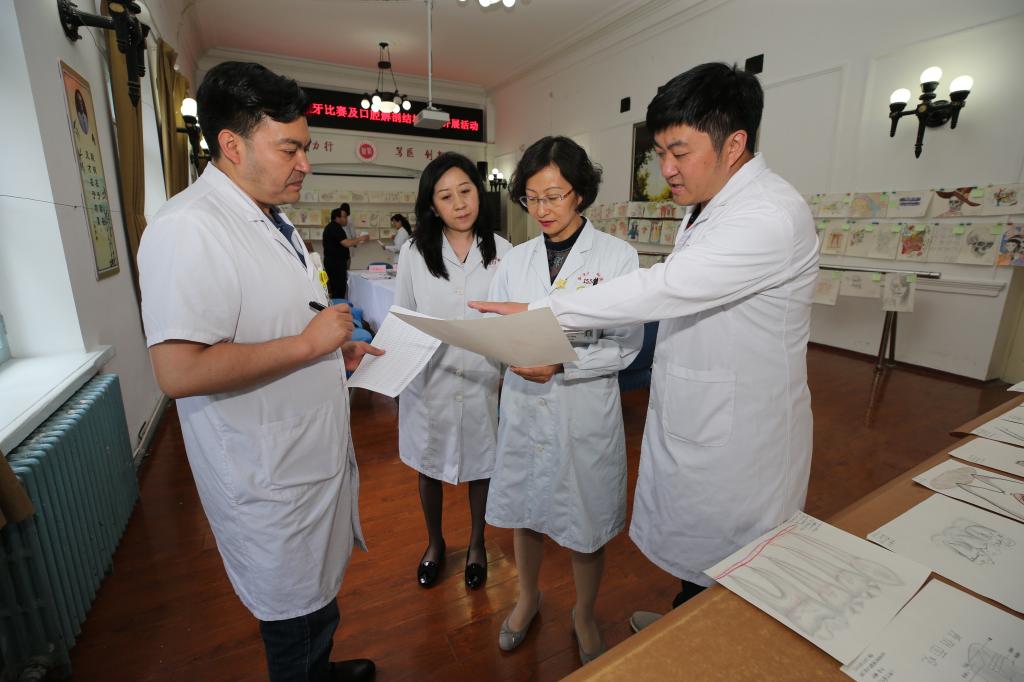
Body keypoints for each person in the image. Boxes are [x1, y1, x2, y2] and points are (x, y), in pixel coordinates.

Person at [471, 62, 819, 633]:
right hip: (694, 411)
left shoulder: (768, 216)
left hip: (741, 432)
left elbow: (663, 289)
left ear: (734, 144)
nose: (666, 169)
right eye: (660, 153)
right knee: (703, 561)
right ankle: (684, 619)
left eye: (679, 153)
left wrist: (545, 316)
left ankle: (694, 640)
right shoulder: (710, 208)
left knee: (736, 568)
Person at [137, 61, 382, 682]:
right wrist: (306, 346)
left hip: (304, 451)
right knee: (293, 613)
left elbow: (270, 323)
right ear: (232, 145)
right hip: (267, 470)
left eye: (305, 147)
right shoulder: (187, 227)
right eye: (290, 149)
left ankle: (321, 670)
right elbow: (178, 370)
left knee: (315, 598)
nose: (305, 164)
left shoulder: (268, 214)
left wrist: (330, 354)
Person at [484, 136, 642, 665]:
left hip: (583, 407)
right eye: (531, 198)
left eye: (553, 196)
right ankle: (528, 598)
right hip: (525, 403)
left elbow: (626, 344)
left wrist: (563, 362)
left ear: (580, 193)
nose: (542, 210)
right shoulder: (516, 259)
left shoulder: (617, 257)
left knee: (586, 519)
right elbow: (500, 327)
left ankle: (584, 613)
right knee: (525, 509)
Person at [394, 153, 512, 591]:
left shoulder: (504, 251)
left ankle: (477, 544)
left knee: (482, 464)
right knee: (429, 465)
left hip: (482, 379)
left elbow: (511, 318)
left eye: (466, 191)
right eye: (446, 196)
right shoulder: (414, 252)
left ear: (479, 193)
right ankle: (435, 543)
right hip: (430, 381)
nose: (459, 203)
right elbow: (403, 316)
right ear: (432, 205)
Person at [323, 202, 368, 299]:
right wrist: (361, 238)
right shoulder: (335, 228)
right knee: (338, 289)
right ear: (337, 218)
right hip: (336, 264)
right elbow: (346, 243)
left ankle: (337, 305)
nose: (346, 219)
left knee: (338, 288)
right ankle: (338, 306)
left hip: (336, 263)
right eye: (344, 217)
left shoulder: (334, 227)